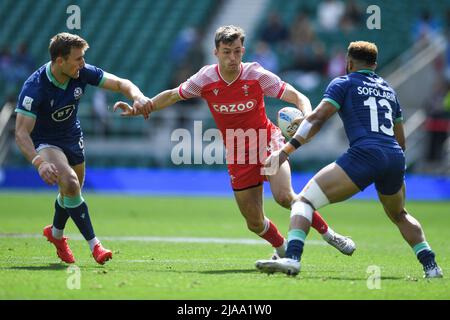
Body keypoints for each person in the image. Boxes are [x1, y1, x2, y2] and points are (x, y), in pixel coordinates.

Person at [118, 25, 356, 259]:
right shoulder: (205, 79)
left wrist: (306, 114)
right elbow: (172, 95)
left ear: (243, 50)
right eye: (226, 52)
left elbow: (296, 95)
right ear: (216, 53)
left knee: (285, 197)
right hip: (237, 152)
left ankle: (330, 235)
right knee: (254, 222)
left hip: (267, 142)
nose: (233, 58)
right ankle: (282, 248)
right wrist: (143, 108)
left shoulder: (255, 75)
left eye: (237, 51)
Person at [255, 41, 443, 278]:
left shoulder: (343, 82)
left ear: (349, 63)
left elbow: (317, 119)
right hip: (394, 156)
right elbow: (401, 139)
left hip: (365, 153)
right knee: (400, 214)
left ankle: (292, 259)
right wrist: (394, 168)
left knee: (303, 201)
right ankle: (431, 266)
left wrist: (284, 152)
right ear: (374, 65)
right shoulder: (388, 90)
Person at [14, 33, 152, 265]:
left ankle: (56, 234)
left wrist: (138, 97)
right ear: (60, 61)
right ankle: (95, 246)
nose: (83, 64)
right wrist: (39, 162)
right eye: (78, 59)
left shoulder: (81, 72)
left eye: (83, 58)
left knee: (70, 191)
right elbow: (20, 132)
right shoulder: (34, 88)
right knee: (70, 183)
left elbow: (120, 84)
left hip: (72, 136)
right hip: (46, 140)